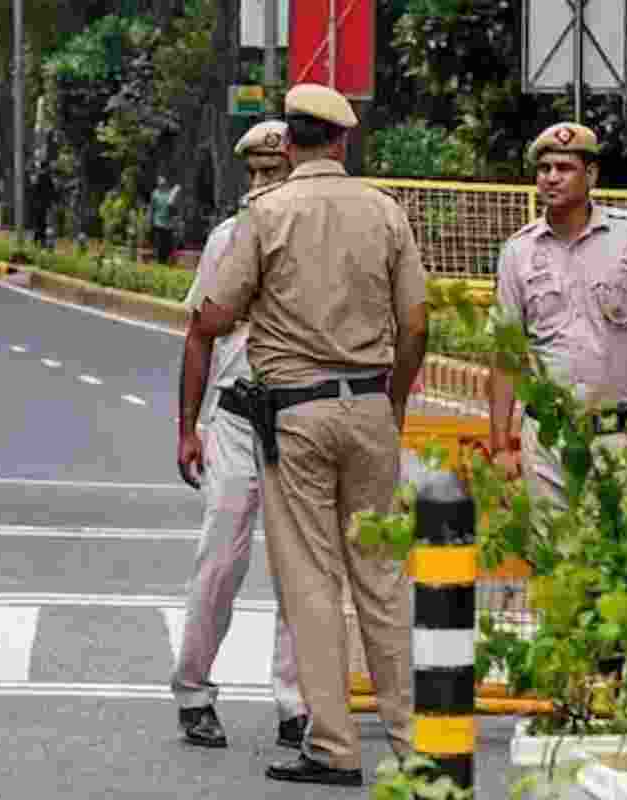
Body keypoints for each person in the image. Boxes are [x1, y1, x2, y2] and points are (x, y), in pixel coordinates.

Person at [181, 83, 429, 786]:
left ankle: (334, 747)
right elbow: (416, 326)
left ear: (288, 145)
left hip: (296, 415)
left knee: (313, 581)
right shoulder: (386, 212)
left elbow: (213, 317)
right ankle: (413, 741)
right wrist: (394, 402)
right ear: (344, 143)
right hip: (372, 408)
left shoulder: (267, 213)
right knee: (380, 577)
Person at [171, 120, 308, 752]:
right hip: (232, 419)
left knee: (297, 572)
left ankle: (295, 705)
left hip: (299, 422)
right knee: (219, 560)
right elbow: (199, 334)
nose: (261, 185)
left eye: (273, 173)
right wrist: (187, 430)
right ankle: (193, 691)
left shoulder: (318, 239)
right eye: (253, 173)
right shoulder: (227, 238)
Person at [489, 122, 627, 505]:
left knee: (614, 558)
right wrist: (499, 445)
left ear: (590, 174)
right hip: (546, 440)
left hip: (615, 439)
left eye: (564, 168)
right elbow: (505, 352)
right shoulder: (518, 251)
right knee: (548, 557)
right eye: (544, 170)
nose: (551, 178)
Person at [150, 175, 181, 264]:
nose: (162, 184)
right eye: (160, 183)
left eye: (163, 183)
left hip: (168, 224)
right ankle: (160, 261)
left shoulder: (170, 194)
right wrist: (150, 221)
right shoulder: (155, 194)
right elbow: (152, 208)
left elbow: (174, 209)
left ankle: (165, 261)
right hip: (158, 223)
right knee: (159, 244)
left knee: (167, 244)